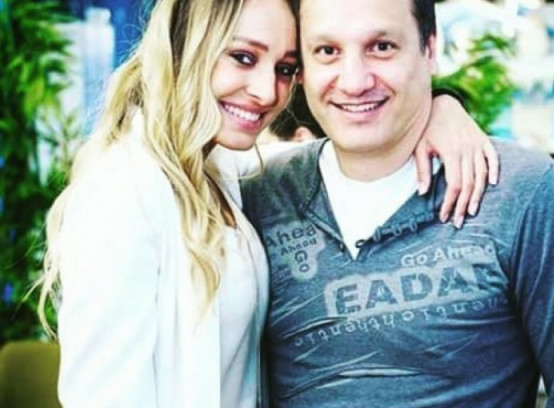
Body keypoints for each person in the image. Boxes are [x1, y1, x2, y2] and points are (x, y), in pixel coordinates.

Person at [36, 0, 498, 407]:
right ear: (186, 46)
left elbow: (343, 152)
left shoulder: (220, 172)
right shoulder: (123, 192)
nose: (266, 92)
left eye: (284, 69)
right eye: (243, 57)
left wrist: (442, 108)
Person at [240, 0, 554, 407]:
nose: (354, 81)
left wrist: (445, 101)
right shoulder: (257, 196)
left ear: (430, 48)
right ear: (302, 66)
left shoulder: (527, 194)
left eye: (381, 47)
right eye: (327, 51)